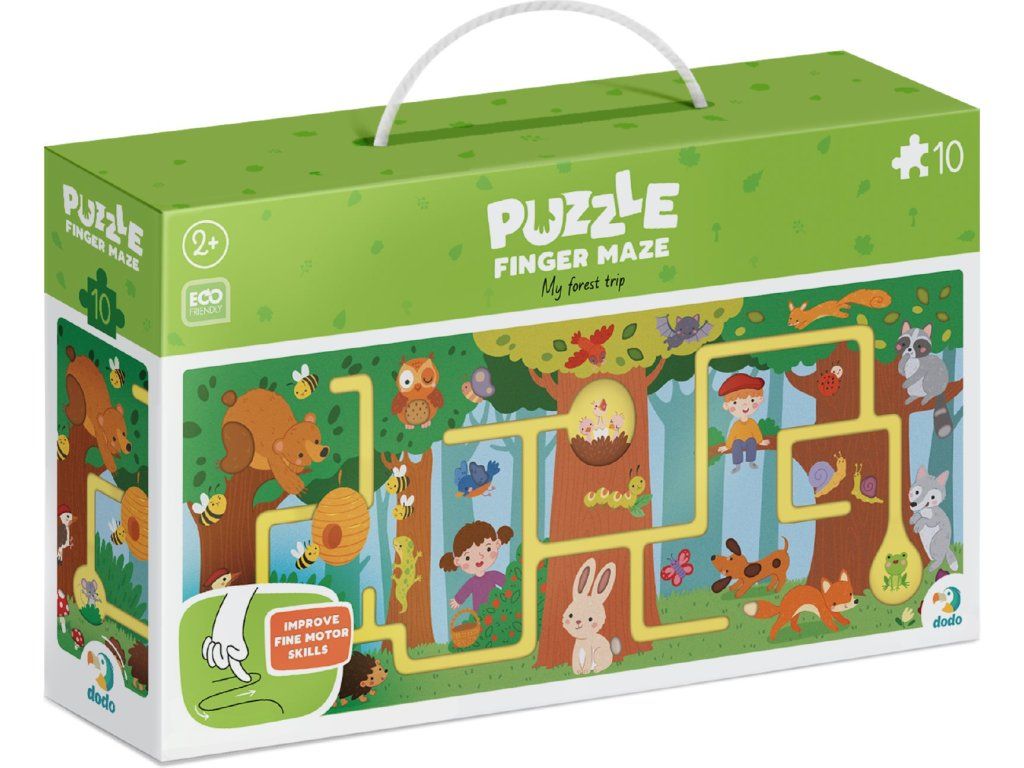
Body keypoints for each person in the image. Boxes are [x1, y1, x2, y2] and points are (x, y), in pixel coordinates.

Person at [439, 520, 514, 610]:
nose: (479, 557)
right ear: (458, 561)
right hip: (479, 613)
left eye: (488, 549)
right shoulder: (472, 582)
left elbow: (508, 584)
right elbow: (465, 590)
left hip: (496, 609)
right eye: (468, 557)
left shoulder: (493, 575)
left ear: (497, 544)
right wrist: (457, 600)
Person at [717, 372, 770, 473]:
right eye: (735, 402)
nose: (745, 406)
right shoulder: (736, 425)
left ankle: (751, 461)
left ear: (760, 399)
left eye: (752, 400)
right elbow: (732, 435)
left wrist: (760, 441)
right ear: (726, 406)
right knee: (736, 444)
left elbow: (756, 432)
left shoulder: (752, 422)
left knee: (752, 441)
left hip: (749, 442)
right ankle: (737, 465)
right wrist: (727, 446)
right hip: (739, 442)